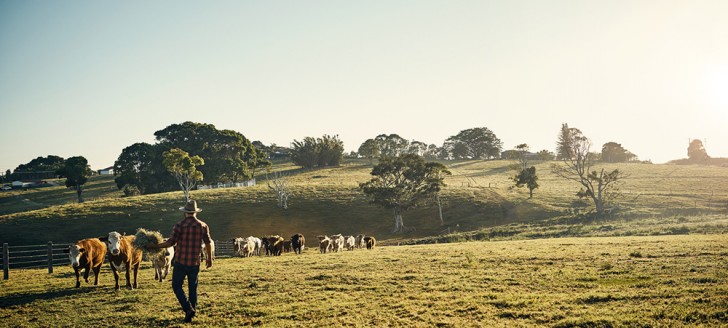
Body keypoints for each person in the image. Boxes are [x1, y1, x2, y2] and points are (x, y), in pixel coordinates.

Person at [152, 200, 213, 323]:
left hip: (180, 262)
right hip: (195, 262)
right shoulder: (203, 226)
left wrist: (155, 246)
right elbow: (208, 243)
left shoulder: (179, 226)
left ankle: (188, 309)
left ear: (185, 212)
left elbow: (170, 243)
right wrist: (209, 258)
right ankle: (192, 311)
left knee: (176, 286)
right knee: (193, 288)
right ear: (195, 212)